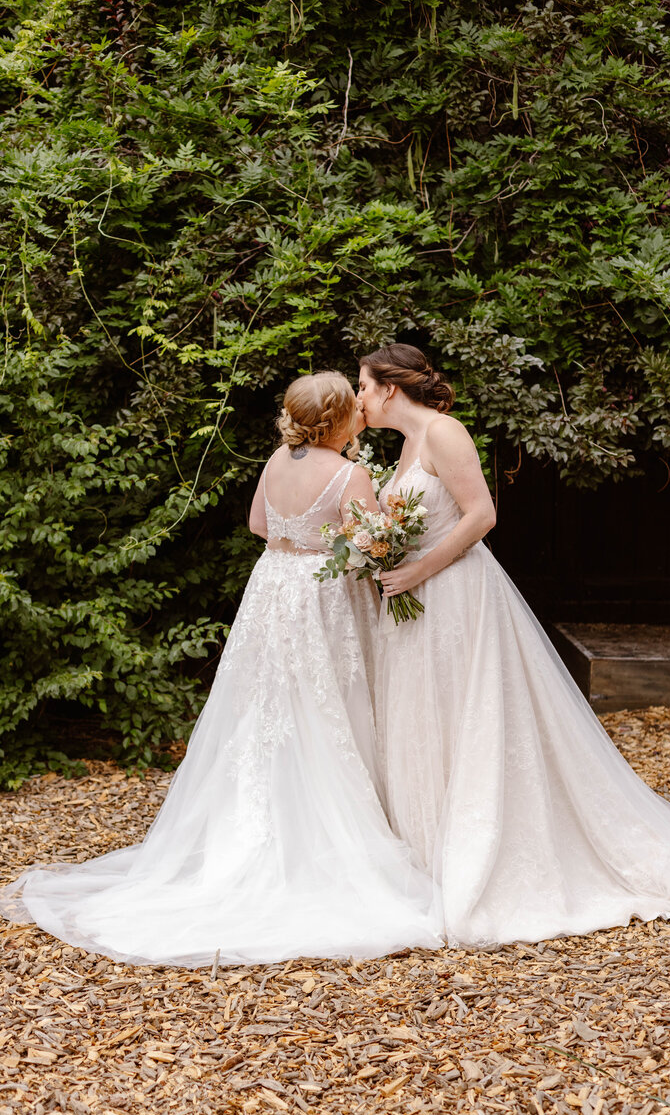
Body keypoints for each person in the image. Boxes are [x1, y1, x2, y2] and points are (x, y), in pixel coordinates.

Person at [359, 343, 670, 947]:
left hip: (456, 596)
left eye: (362, 385)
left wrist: (415, 571)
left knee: (468, 714)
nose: (357, 397)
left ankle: (486, 852)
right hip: (417, 608)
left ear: (389, 388)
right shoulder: (405, 446)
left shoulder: (445, 432)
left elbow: (481, 515)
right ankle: (432, 849)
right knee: (426, 720)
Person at [0, 372, 441, 966]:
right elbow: (370, 544)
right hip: (317, 596)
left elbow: (261, 526)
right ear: (338, 420)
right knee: (324, 701)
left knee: (266, 705)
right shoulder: (350, 474)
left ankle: (253, 822)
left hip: (271, 588)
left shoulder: (276, 461)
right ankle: (325, 833)